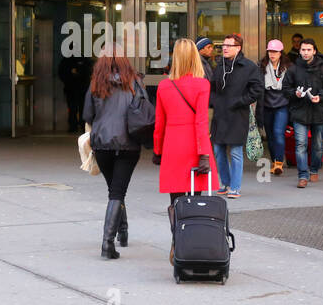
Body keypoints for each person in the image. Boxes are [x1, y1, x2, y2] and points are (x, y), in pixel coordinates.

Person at [81, 49, 146, 259]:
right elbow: (145, 111)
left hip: (101, 143)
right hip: (128, 144)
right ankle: (108, 243)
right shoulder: (135, 83)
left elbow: (87, 115)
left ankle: (123, 231)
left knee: (114, 190)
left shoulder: (95, 85)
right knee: (117, 191)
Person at [154, 38, 219, 228]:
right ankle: (192, 238)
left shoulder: (164, 86)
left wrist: (158, 150)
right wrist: (204, 153)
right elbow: (201, 122)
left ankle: (177, 240)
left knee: (175, 199)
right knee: (194, 199)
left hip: (172, 146)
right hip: (193, 145)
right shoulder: (202, 85)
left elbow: (159, 124)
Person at [208, 32, 263, 199]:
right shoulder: (219, 65)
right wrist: (214, 101)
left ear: (238, 48)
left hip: (238, 114)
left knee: (236, 152)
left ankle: (235, 187)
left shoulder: (249, 66)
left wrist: (240, 101)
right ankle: (225, 183)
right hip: (220, 114)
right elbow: (212, 87)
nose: (224, 48)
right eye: (223, 46)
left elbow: (257, 89)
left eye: (228, 46)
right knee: (218, 150)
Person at [284, 38, 323, 188]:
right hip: (299, 111)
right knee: (300, 144)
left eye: (308, 50)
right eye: (303, 50)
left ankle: (314, 169)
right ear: (299, 51)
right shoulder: (293, 68)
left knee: (317, 146)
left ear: (314, 51)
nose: (305, 52)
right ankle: (303, 176)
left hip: (318, 111)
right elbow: (285, 88)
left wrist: (321, 96)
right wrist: (295, 94)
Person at [258, 39, 291, 176]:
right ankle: (274, 161)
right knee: (270, 136)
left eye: (275, 51)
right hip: (266, 105)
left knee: (278, 133)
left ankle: (279, 163)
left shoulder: (288, 67)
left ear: (280, 53)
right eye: (270, 51)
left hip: (282, 104)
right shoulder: (261, 66)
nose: (272, 54)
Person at [58, 54, 93, 133]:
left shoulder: (80, 59)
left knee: (77, 108)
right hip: (74, 89)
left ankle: (76, 126)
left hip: (79, 88)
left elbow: (88, 71)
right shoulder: (68, 60)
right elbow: (62, 72)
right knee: (74, 108)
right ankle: (75, 126)